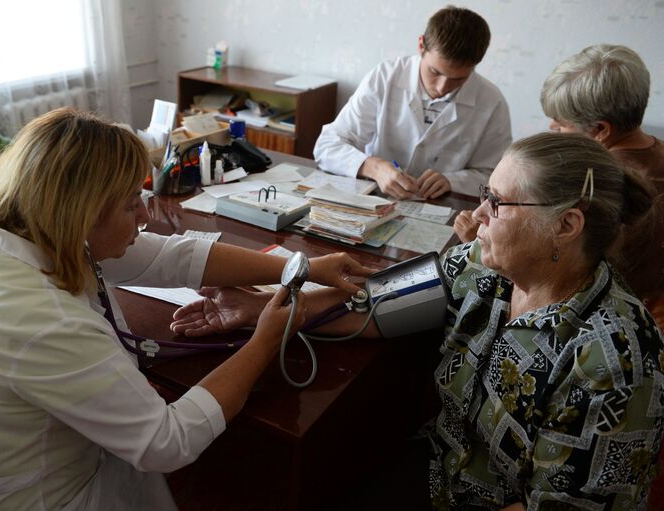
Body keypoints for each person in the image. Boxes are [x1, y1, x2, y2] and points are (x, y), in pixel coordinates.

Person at [0, 108, 376, 510]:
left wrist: (301, 265)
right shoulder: (38, 318)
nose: (145, 215)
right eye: (131, 205)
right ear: (79, 214)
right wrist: (266, 338)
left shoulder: (13, 233)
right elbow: (166, 443)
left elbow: (170, 255)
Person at [172, 132, 664, 509]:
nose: (479, 212)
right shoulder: (483, 267)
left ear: (566, 225)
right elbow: (376, 301)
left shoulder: (617, 360)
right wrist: (261, 310)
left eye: (498, 201)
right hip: (441, 472)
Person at [455, 44, 664, 327]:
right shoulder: (655, 151)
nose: (551, 127)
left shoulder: (605, 193)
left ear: (600, 130)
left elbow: (565, 280)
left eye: (562, 126)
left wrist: (478, 244)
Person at [313, 6, 511, 200]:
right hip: (374, 199)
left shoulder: (491, 102)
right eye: (435, 72)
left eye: (457, 79)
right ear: (421, 45)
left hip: (443, 206)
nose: (442, 87)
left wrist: (454, 181)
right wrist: (373, 167)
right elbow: (327, 146)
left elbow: (495, 177)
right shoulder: (385, 77)